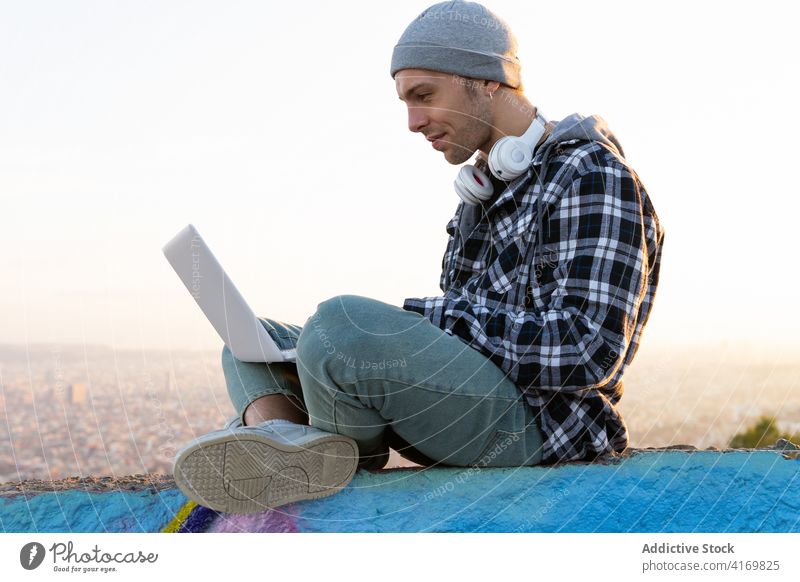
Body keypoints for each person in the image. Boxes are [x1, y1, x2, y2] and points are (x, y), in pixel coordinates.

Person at [172, 0, 664, 515]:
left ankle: (303, 449)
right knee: (254, 341)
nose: (412, 122)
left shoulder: (589, 175)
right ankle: (288, 444)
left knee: (341, 325)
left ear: (489, 79)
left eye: (424, 95)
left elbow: (590, 350)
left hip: (541, 427)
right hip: (473, 409)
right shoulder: (483, 192)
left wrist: (423, 319)